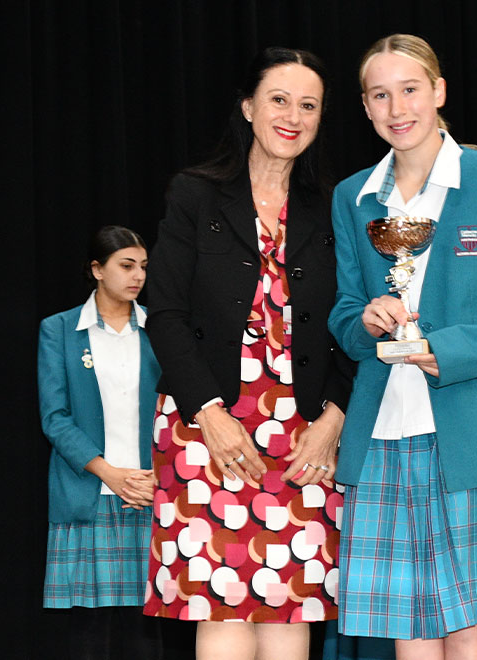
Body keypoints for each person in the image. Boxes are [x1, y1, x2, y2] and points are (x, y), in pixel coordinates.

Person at [327, 34, 477, 660]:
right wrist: (368, 322)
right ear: (365, 107)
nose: (396, 107)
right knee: (407, 621)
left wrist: (454, 349)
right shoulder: (353, 197)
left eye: (409, 89)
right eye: (380, 95)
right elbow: (345, 312)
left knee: (468, 621)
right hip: (383, 432)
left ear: (438, 92)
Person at [142, 47, 353, 660]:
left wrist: (333, 423)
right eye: (279, 100)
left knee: (291, 613)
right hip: (206, 428)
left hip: (305, 436)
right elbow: (167, 314)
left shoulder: (337, 206)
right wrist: (209, 413)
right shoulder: (195, 194)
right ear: (248, 107)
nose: (293, 115)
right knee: (222, 606)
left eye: (308, 105)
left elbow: (354, 326)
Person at [38, 226, 164, 659]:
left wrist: (154, 479)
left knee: (147, 631)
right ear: (96, 269)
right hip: (91, 492)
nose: (137, 276)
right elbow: (55, 419)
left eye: (143, 267)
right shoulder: (58, 330)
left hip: (150, 493)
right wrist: (112, 474)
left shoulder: (160, 330)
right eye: (125, 266)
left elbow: (179, 413)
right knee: (90, 633)